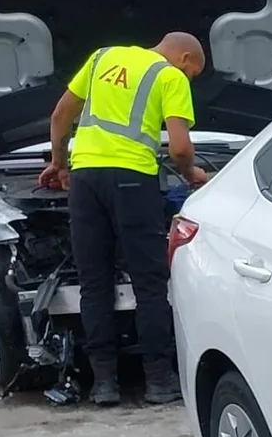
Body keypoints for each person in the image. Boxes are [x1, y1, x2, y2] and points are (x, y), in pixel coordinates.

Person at [38, 32, 210, 406]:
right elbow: (180, 148)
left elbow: (60, 115)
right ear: (184, 58)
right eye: (193, 73)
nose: (190, 79)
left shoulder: (101, 57)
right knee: (149, 284)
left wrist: (59, 164)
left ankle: (103, 384)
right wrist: (190, 173)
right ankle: (159, 381)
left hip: (85, 181)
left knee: (94, 283)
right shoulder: (170, 76)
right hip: (133, 181)